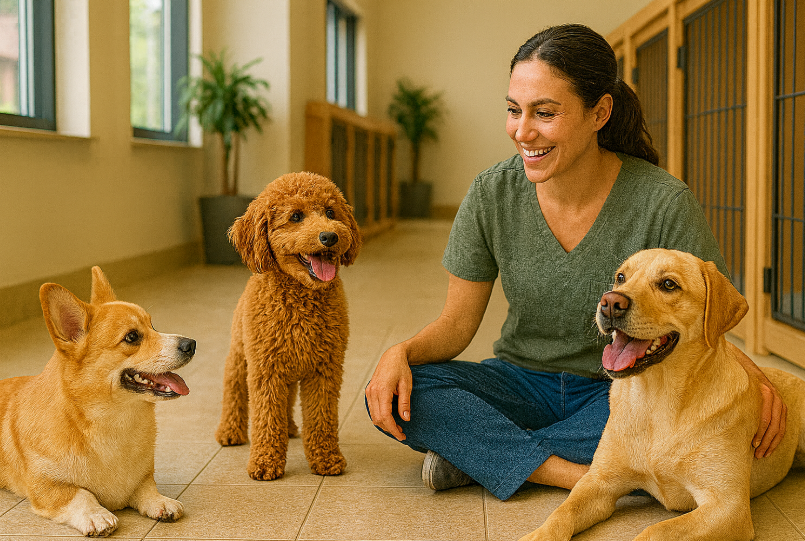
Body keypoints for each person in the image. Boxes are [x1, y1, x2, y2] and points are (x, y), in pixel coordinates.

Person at [365, 23, 787, 501]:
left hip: (624, 390)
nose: (523, 131)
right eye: (513, 110)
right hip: (519, 381)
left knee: (668, 416)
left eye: (545, 113)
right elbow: (457, 324)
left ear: (599, 112)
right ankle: (578, 473)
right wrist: (400, 353)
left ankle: (486, 457)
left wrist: (754, 378)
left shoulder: (663, 200)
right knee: (400, 389)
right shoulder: (491, 193)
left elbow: (707, 311)